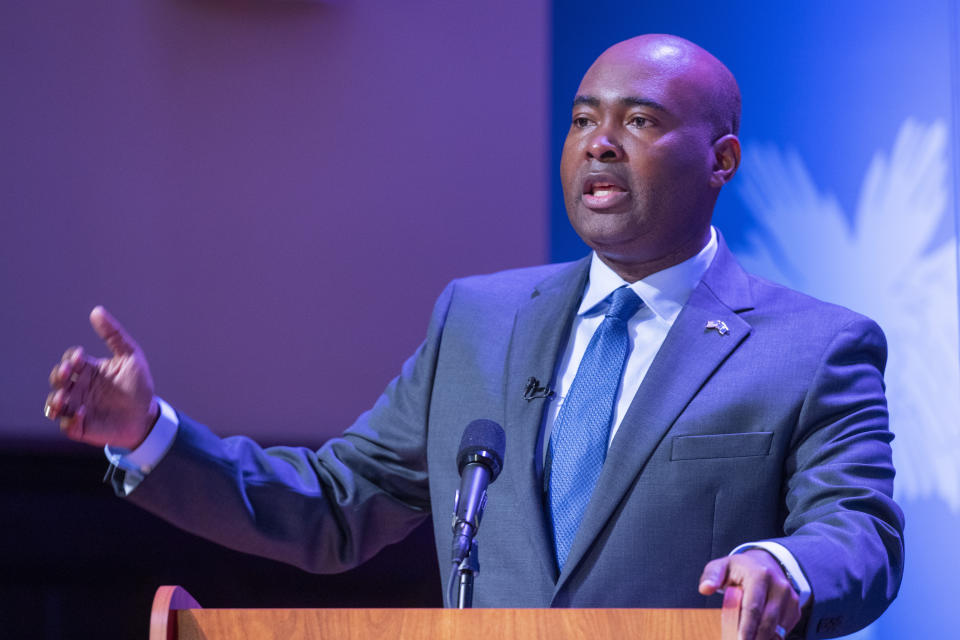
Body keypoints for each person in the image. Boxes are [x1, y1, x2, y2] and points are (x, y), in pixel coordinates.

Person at [44, 34, 903, 640]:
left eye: (639, 122)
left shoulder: (813, 347)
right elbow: (339, 505)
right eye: (581, 120)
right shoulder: (479, 320)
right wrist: (146, 435)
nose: (599, 143)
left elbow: (857, 527)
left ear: (722, 160)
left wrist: (784, 568)